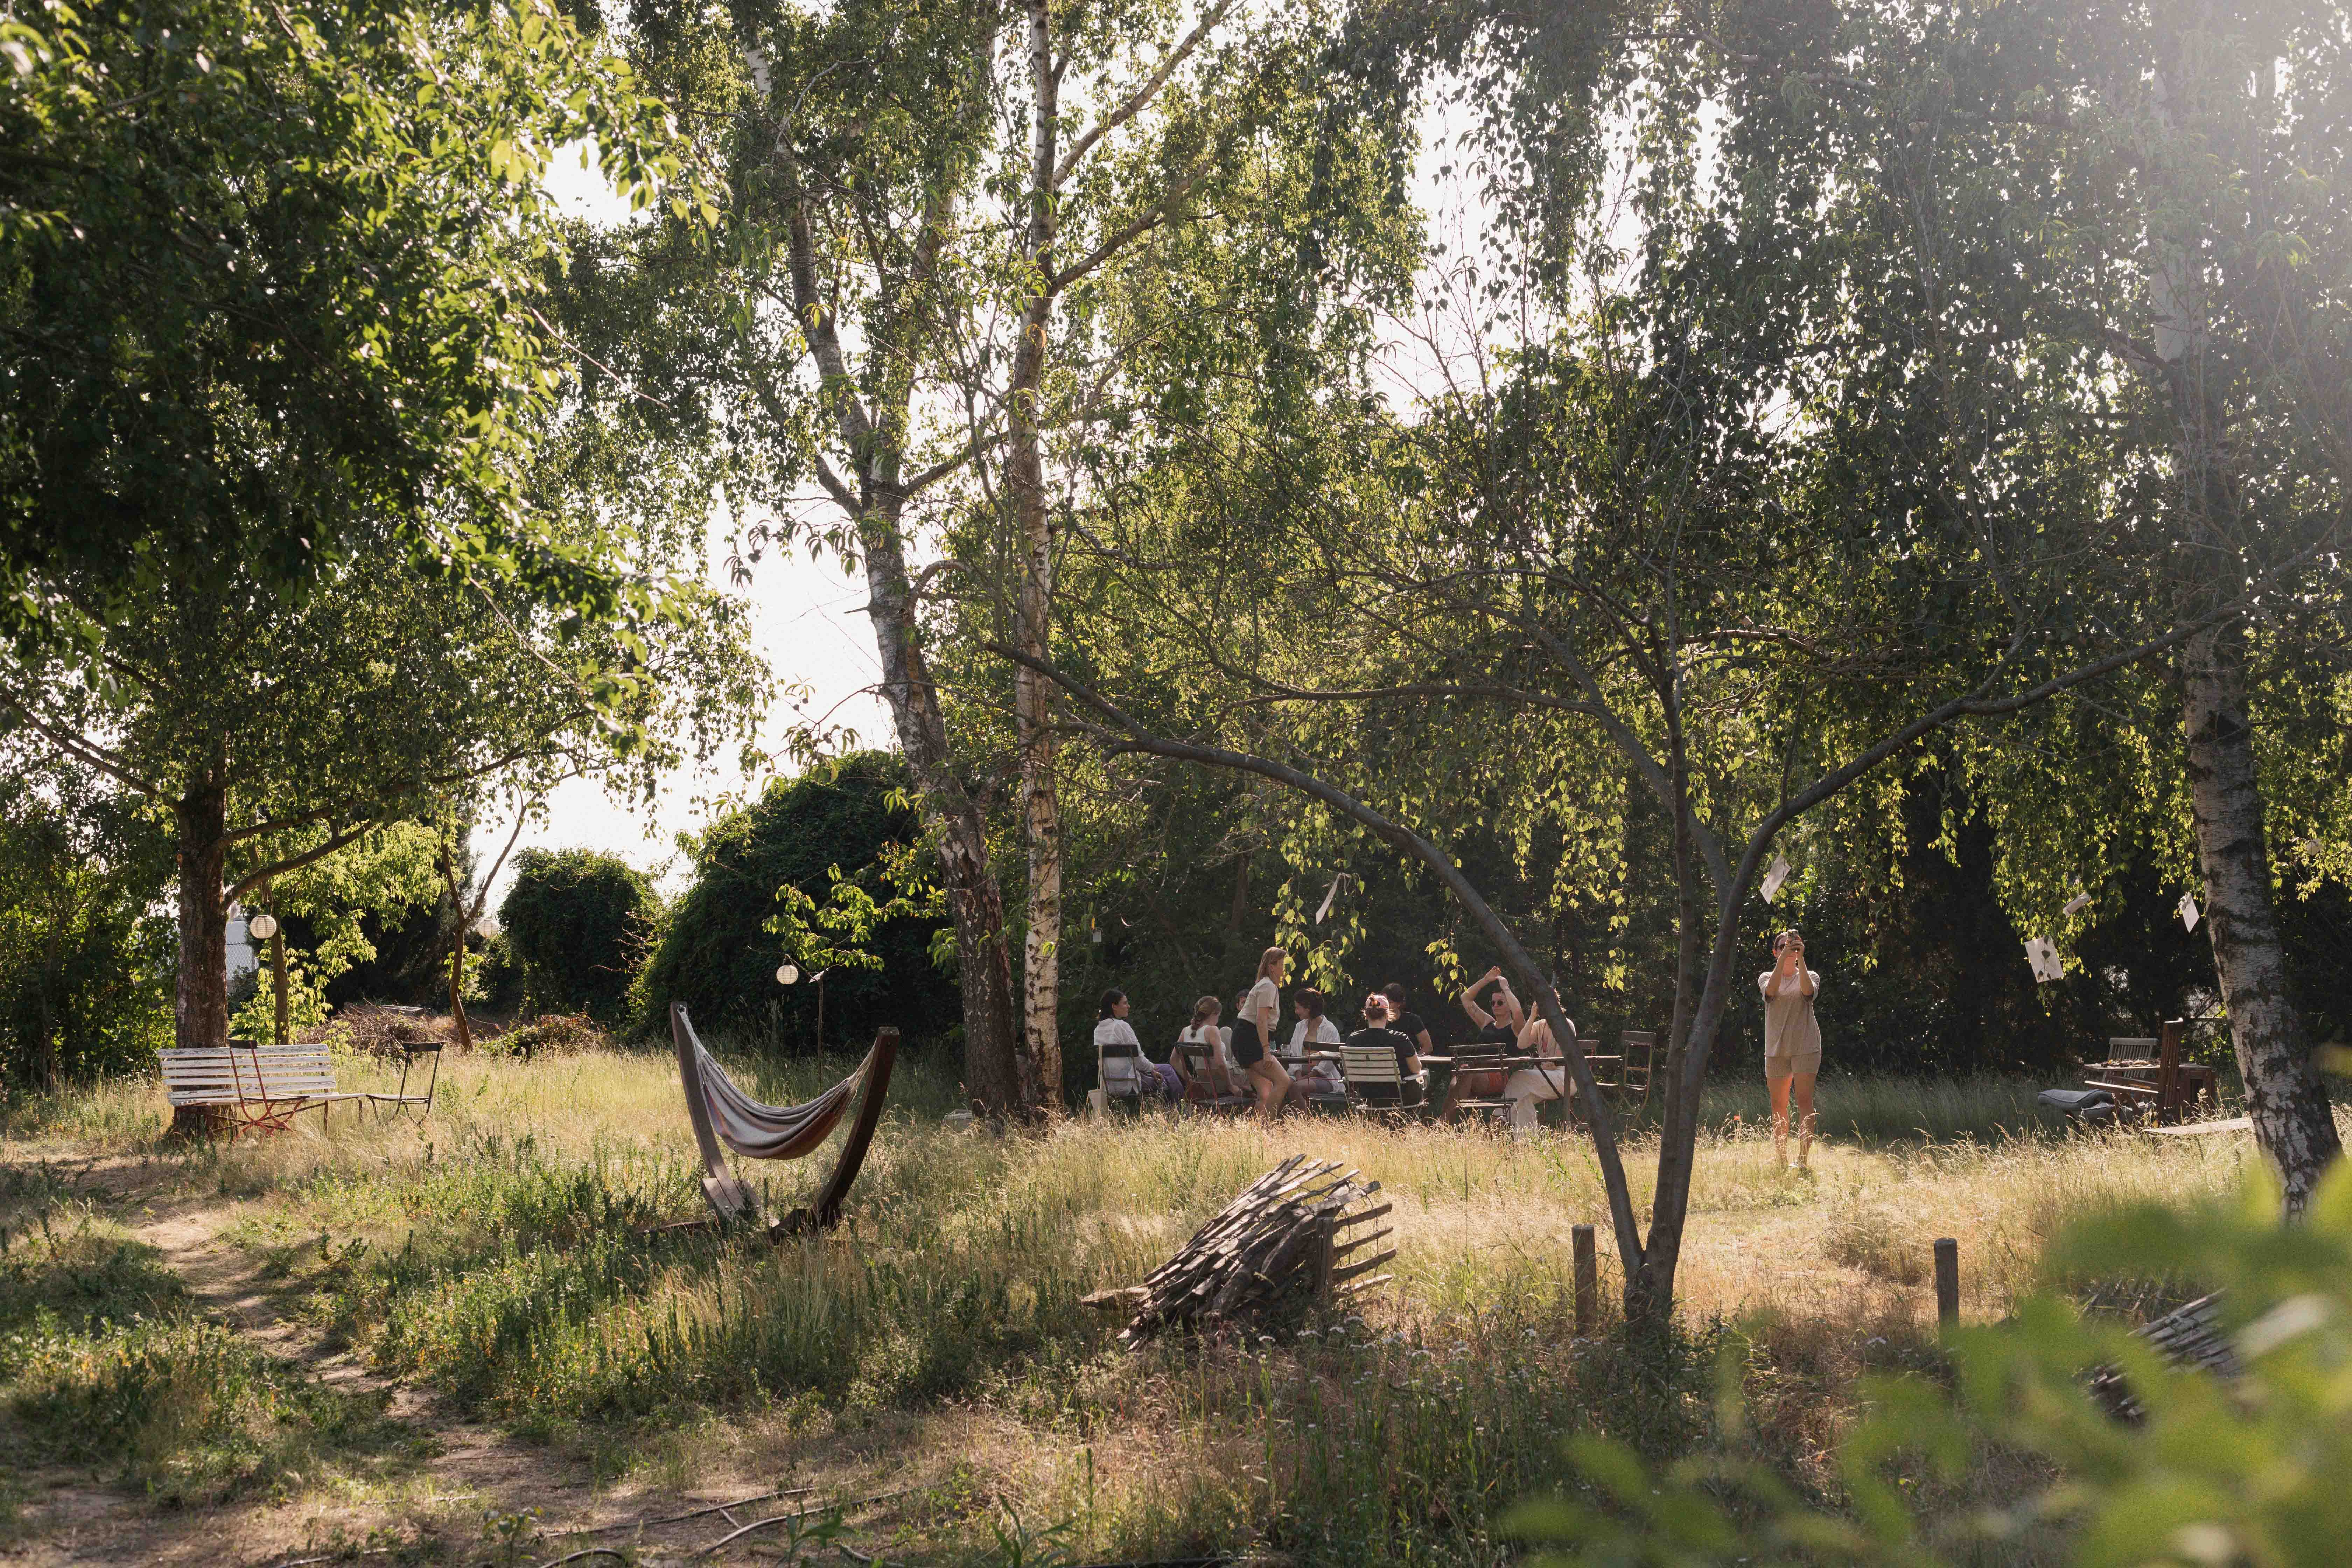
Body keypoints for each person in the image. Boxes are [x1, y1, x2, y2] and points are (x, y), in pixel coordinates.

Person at [1461, 966, 1571, 1129]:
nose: (1541, 1006)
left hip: (1565, 1078)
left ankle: (1496, 1124)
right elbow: (1522, 1044)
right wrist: (1533, 1017)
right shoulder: (1539, 1026)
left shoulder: (1565, 1024)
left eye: (1544, 1003)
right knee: (1524, 1096)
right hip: (1546, 1076)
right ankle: (1525, 1144)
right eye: (1539, 1003)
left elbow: (1565, 1057)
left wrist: (1506, 988)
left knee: (1519, 1078)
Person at [1759, 928, 1821, 1169]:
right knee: (1779, 1105)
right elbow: (1771, 992)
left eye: (1793, 945)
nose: (1789, 949)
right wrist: (1785, 955)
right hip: (1776, 1049)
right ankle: (1783, 1159)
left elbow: (1808, 992)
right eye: (1784, 946)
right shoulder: (1766, 976)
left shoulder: (1810, 974)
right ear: (1775, 952)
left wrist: (1801, 958)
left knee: (1805, 1101)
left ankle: (1803, 1161)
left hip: (1806, 1046)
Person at [1230, 946, 1306, 1122]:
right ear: (1272, 967)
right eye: (1282, 965)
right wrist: (1266, 1051)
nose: (1284, 969)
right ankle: (1267, 1127)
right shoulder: (1268, 986)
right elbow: (1261, 1020)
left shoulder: (1266, 985)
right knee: (1284, 1081)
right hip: (1250, 1039)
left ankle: (1257, 1131)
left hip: (1243, 1038)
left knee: (1266, 1090)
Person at [1094, 988, 1177, 1101]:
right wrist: (1152, 1069)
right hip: (1130, 1083)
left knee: (1163, 1071)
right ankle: (1183, 1107)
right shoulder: (1121, 1026)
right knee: (1168, 1070)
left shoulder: (1099, 1029)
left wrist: (1151, 1068)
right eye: (1125, 1003)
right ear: (1114, 1006)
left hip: (1109, 1085)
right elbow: (1138, 1059)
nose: (1129, 1006)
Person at [1345, 993, 1423, 1105]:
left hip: (1366, 1094)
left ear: (1366, 1015)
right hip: (1398, 1094)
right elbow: (1417, 1069)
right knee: (1423, 1075)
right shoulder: (1400, 1039)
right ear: (1387, 1015)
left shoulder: (1353, 1039)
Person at [1175, 995, 1235, 1099]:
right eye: (1219, 1016)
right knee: (1252, 1064)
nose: (1218, 1019)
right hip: (1224, 1079)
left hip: (1205, 1081)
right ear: (1213, 1014)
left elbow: (1174, 1061)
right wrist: (1230, 1086)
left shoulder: (1185, 1031)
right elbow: (1221, 1064)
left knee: (1226, 1031)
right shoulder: (1212, 1030)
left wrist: (1191, 1080)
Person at [1287, 987, 1344, 1095]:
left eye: (1298, 1008)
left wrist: (1306, 1077)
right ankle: (1272, 1112)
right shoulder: (1300, 1027)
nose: (1296, 1011)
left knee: (1295, 1088)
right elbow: (1293, 1054)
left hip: (1325, 1078)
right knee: (1280, 1085)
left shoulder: (1330, 1029)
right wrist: (1299, 1076)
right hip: (1298, 1075)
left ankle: (1301, 1113)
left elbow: (1329, 1063)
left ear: (1308, 1009)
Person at [1380, 983, 1436, 1062]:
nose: (1386, 1006)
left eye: (1390, 1003)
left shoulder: (1413, 1020)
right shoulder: (1377, 1020)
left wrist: (1413, 1061)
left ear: (1400, 1004)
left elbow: (1428, 1047)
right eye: (1384, 1002)